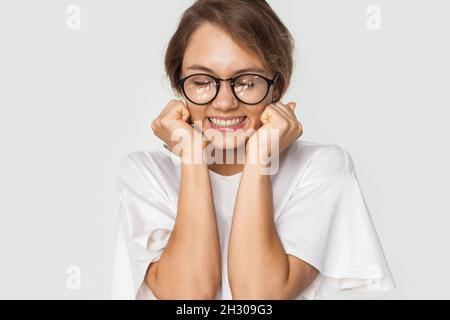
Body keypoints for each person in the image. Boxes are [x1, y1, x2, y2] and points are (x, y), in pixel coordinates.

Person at [111, 0, 395, 300]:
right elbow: (190, 301)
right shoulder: (144, 172)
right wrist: (193, 158)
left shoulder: (322, 167)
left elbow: (257, 299)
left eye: (246, 82)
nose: (224, 102)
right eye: (202, 81)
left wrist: (260, 159)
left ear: (276, 86)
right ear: (180, 86)